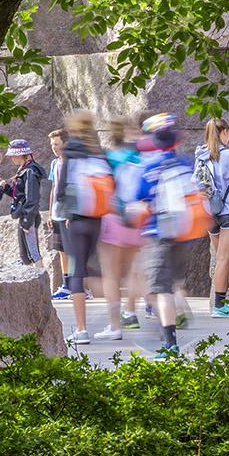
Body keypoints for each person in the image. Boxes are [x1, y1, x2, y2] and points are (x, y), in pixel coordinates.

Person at [132, 121, 196, 354]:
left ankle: (170, 344)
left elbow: (139, 202)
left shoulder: (150, 168)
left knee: (159, 290)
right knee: (169, 285)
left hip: (159, 234)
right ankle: (173, 316)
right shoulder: (185, 163)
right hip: (184, 233)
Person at [57, 110, 107, 345]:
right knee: (97, 270)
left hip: (77, 219)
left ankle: (82, 329)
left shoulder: (71, 152)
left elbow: (61, 190)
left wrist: (67, 211)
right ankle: (114, 321)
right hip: (98, 218)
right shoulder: (99, 153)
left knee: (77, 272)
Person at [96, 117, 149, 338]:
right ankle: (132, 311)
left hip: (114, 218)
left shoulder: (109, 157)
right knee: (132, 271)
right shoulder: (139, 156)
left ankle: (115, 325)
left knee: (110, 275)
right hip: (136, 219)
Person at [196, 119, 229, 318]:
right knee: (223, 258)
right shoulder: (228, 155)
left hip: (210, 213)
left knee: (220, 256)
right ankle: (220, 305)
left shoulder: (201, 156)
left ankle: (218, 301)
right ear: (225, 132)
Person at [5, 140, 46, 269]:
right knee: (26, 255)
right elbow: (19, 194)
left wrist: (28, 221)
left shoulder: (30, 171)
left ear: (23, 154)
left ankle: (43, 286)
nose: (11, 157)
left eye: (14, 154)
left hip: (28, 218)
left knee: (33, 254)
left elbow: (32, 198)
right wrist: (6, 187)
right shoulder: (24, 169)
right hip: (24, 216)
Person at [44, 130, 71, 299]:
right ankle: (66, 284)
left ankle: (81, 286)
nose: (54, 148)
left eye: (57, 144)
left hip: (69, 212)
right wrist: (50, 213)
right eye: (52, 145)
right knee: (61, 250)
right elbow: (53, 188)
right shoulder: (55, 163)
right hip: (57, 213)